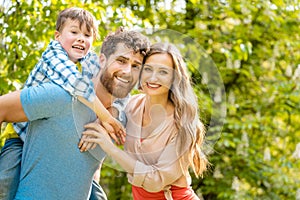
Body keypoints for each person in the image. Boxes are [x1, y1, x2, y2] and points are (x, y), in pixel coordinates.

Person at [0, 27, 150, 199]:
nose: (127, 71)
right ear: (102, 60)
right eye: (121, 61)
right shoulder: (61, 96)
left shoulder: (120, 119)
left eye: (136, 66)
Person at [80, 42, 209, 200]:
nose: (153, 77)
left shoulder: (182, 124)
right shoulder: (132, 105)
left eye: (163, 71)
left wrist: (110, 148)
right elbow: (106, 122)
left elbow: (155, 181)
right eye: (148, 69)